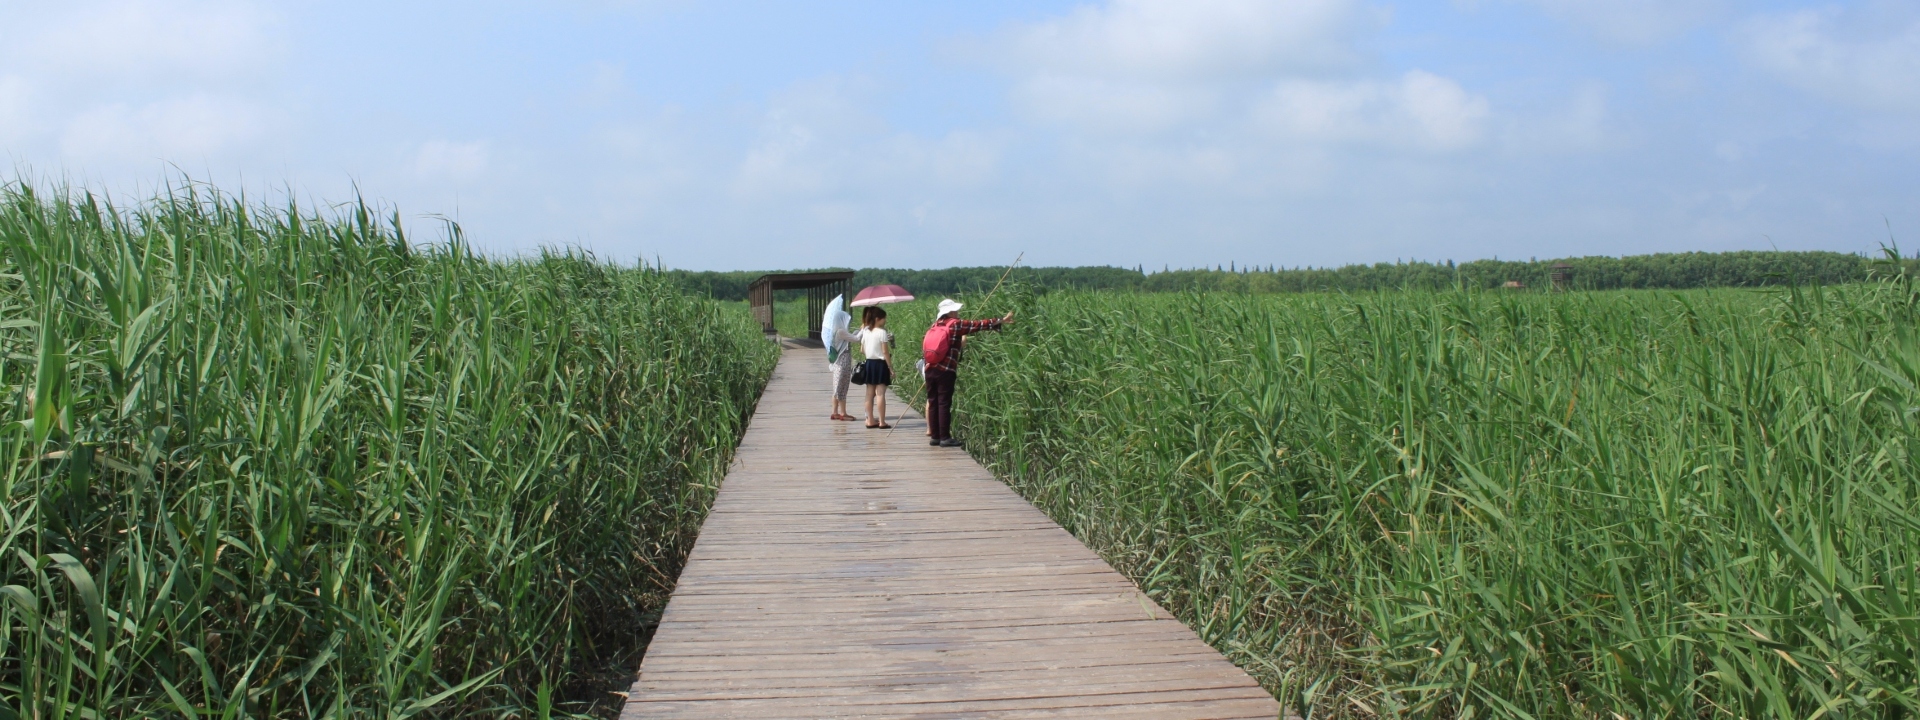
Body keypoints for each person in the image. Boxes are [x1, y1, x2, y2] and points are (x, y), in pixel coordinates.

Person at [922, 298, 1012, 447]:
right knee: (944, 403)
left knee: (933, 403)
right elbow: (977, 325)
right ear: (950, 311)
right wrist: (1000, 321)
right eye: (955, 310)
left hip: (930, 369)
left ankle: (936, 437)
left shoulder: (935, 325)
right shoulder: (955, 324)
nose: (957, 312)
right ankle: (945, 438)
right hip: (945, 371)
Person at [822, 295, 860, 421]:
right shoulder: (840, 332)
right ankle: (843, 413)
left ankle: (835, 412)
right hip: (843, 361)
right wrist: (864, 329)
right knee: (842, 387)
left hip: (838, 362)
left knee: (837, 386)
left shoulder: (836, 331)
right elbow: (856, 339)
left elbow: (851, 337)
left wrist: (858, 331)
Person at [856, 306, 895, 428]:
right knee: (880, 394)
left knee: (869, 394)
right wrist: (890, 367)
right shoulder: (882, 332)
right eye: (884, 319)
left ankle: (870, 420)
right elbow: (885, 352)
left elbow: (862, 350)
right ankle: (882, 422)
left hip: (869, 363)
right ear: (878, 319)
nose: (885, 321)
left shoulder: (866, 332)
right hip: (880, 364)